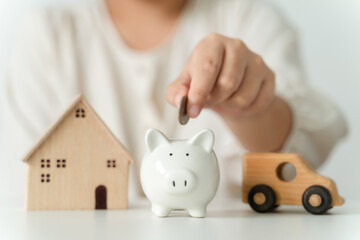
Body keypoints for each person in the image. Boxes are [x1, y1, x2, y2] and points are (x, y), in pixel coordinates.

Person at [0, 0, 347, 202]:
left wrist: (253, 107)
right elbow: (29, 190)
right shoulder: (49, 37)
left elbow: (309, 142)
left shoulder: (248, 17)